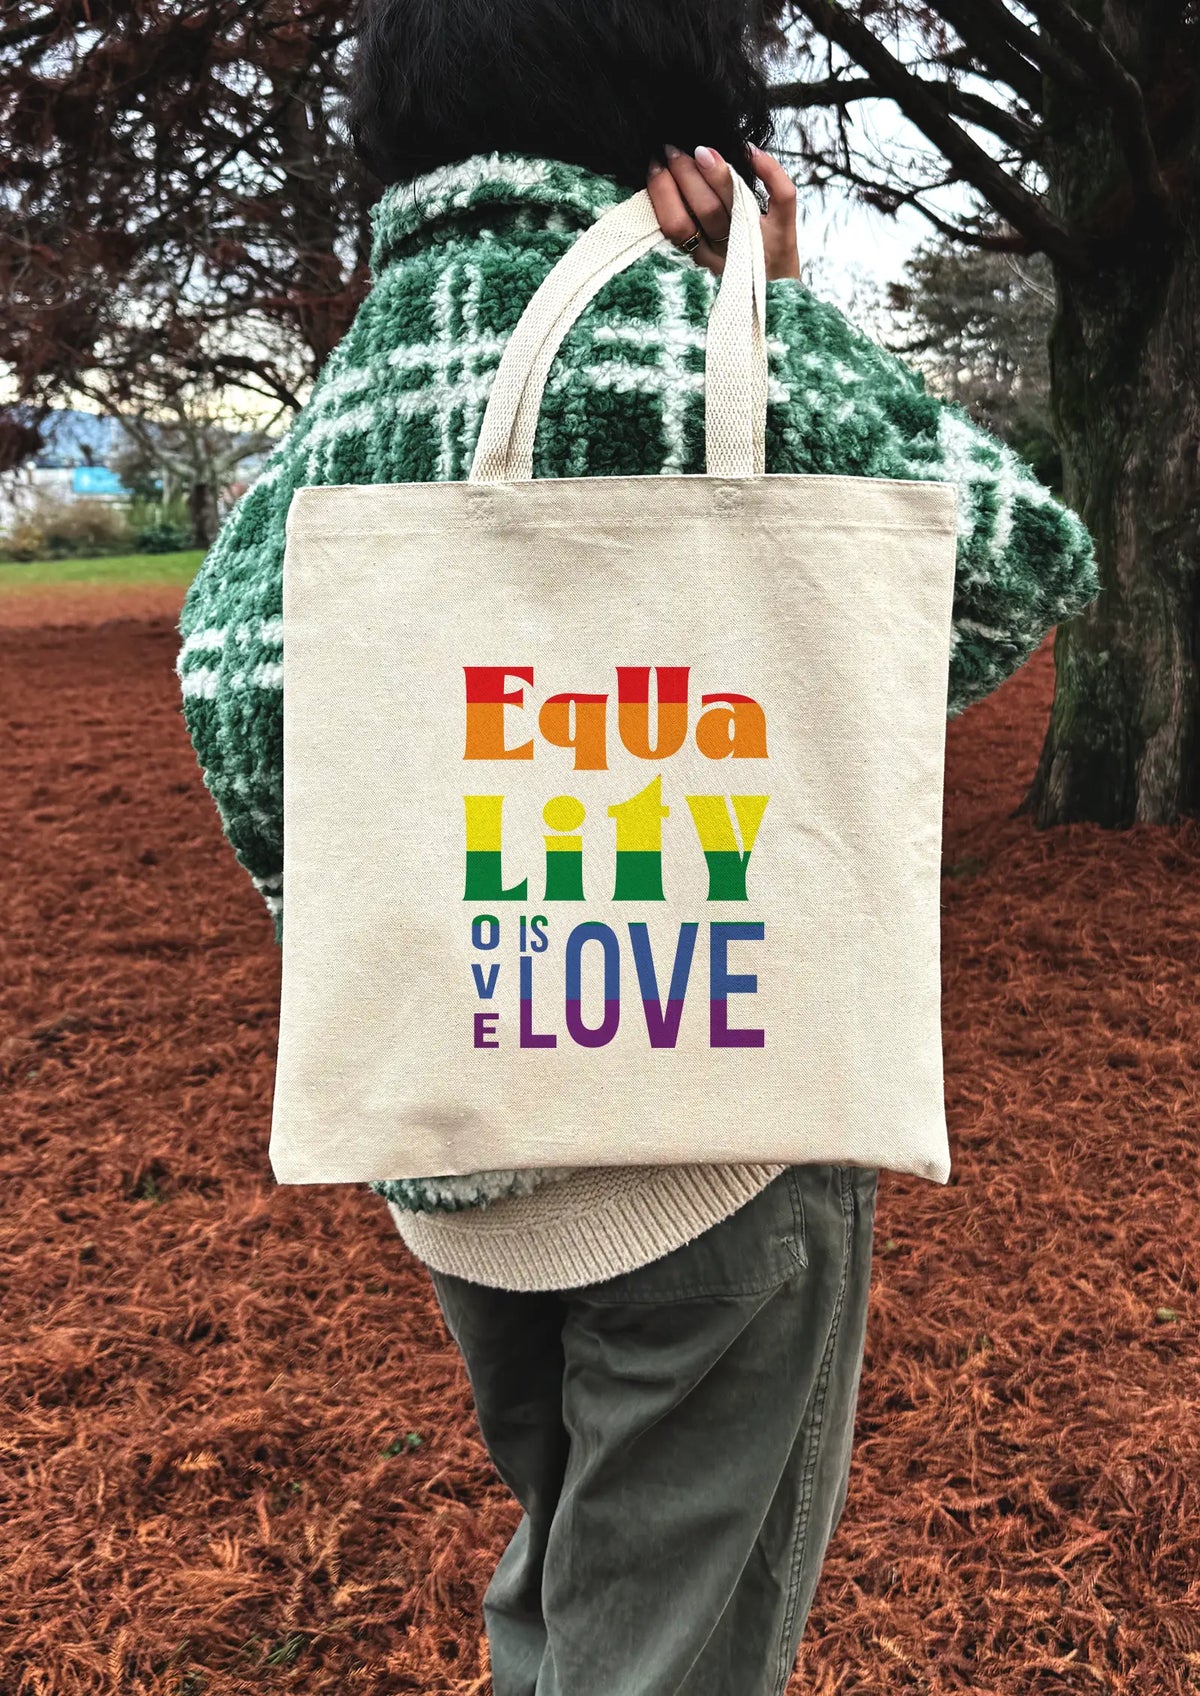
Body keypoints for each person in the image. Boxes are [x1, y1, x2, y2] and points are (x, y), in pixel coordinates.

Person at [176, 2, 1098, 1690]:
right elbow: (1013, 566)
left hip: (456, 1139)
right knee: (665, 1645)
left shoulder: (343, 395)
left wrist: (414, 930)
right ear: (683, 105)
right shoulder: (702, 332)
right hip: (713, 1135)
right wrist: (793, 317)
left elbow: (235, 705)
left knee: (572, 1572)